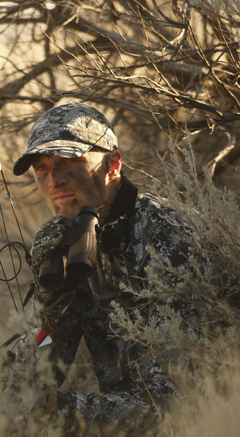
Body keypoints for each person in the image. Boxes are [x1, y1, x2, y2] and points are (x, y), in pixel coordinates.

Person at [12, 102, 201, 435]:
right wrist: (49, 304)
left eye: (70, 161)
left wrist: (60, 409)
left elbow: (180, 404)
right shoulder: (71, 245)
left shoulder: (168, 238)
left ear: (113, 164)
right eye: (41, 168)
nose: (53, 180)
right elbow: (42, 362)